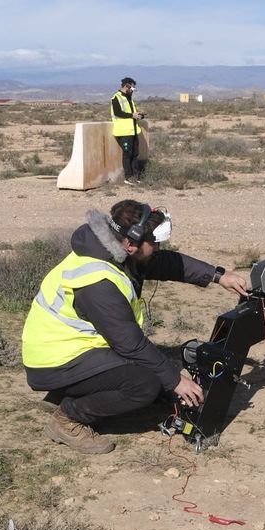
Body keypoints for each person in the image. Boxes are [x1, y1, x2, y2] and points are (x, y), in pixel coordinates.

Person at [21, 199, 250, 454]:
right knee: (145, 384)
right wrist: (176, 380)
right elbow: (130, 344)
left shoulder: (113, 249)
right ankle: (68, 417)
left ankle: (69, 393)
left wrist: (218, 275)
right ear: (130, 244)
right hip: (55, 361)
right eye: (153, 243)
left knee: (156, 373)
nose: (159, 247)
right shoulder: (97, 282)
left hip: (74, 349)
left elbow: (167, 263)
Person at [110, 76, 145, 184]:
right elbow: (118, 113)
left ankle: (135, 177)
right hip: (123, 132)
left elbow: (133, 113)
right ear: (126, 86)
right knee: (127, 154)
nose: (133, 90)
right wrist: (132, 115)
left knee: (135, 154)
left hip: (133, 131)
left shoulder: (129, 98)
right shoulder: (116, 98)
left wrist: (139, 116)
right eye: (132, 88)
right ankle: (128, 177)